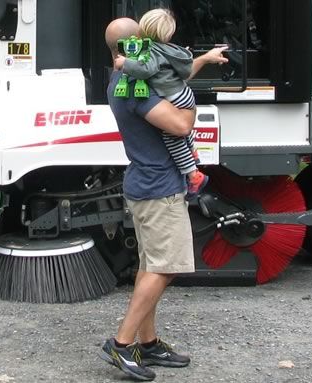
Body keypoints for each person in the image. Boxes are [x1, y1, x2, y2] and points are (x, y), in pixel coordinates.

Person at [101, 17, 228, 382]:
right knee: (165, 267)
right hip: (157, 189)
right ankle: (122, 344)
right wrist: (191, 108)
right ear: (134, 46)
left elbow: (168, 81)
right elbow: (180, 125)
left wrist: (202, 59)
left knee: (150, 265)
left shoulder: (125, 79)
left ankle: (149, 342)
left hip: (145, 185)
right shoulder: (133, 88)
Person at [114, 9, 215, 201]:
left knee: (172, 137)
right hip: (184, 94)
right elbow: (184, 72)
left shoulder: (150, 51)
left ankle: (194, 175)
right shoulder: (173, 49)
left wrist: (125, 63)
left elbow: (146, 70)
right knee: (181, 134)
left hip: (174, 97)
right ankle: (193, 152)